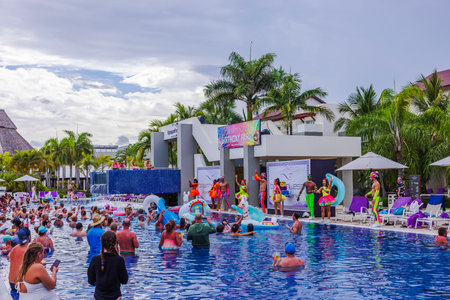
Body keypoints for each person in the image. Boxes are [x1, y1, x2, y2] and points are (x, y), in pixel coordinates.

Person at [88, 231, 128, 300]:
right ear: (115, 243)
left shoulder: (95, 260)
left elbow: (91, 281)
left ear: (102, 243)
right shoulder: (119, 260)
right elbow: (124, 280)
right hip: (115, 297)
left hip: (98, 296)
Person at [8, 227, 31, 300]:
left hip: (11, 281)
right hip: (20, 283)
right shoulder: (28, 250)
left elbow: (9, 257)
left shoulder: (14, 248)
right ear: (29, 237)